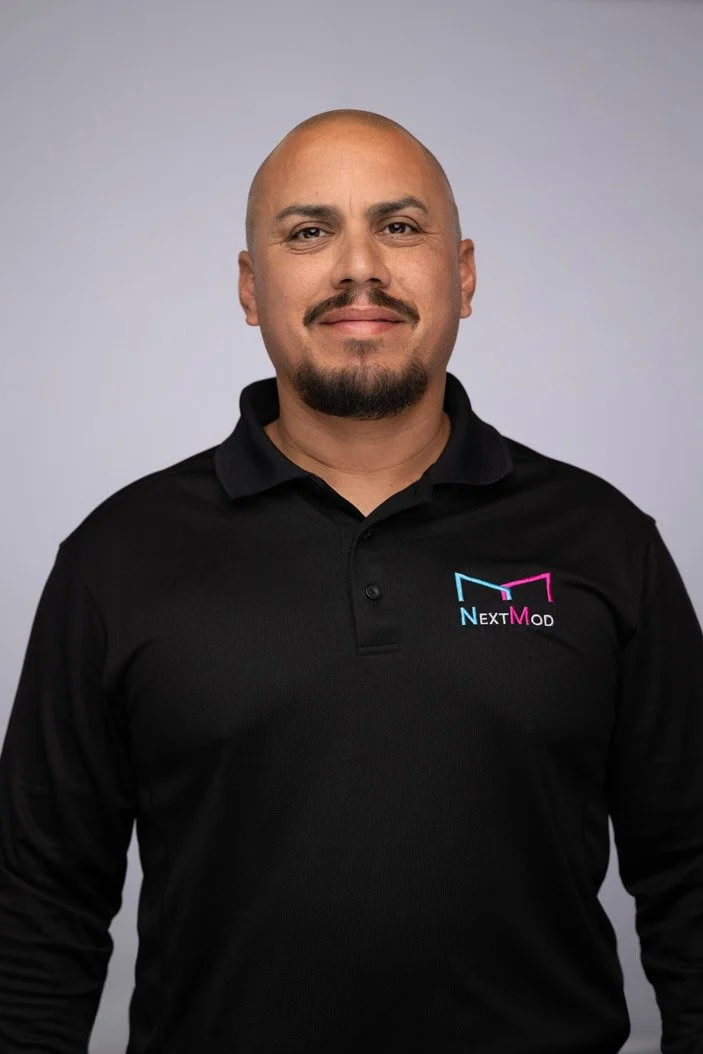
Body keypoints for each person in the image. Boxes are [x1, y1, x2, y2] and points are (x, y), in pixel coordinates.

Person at [0, 108, 701, 1054]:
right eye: (308, 231)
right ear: (252, 288)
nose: (357, 266)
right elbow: (36, 902)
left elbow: (691, 873)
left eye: (400, 227)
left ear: (463, 274)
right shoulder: (118, 557)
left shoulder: (602, 541)